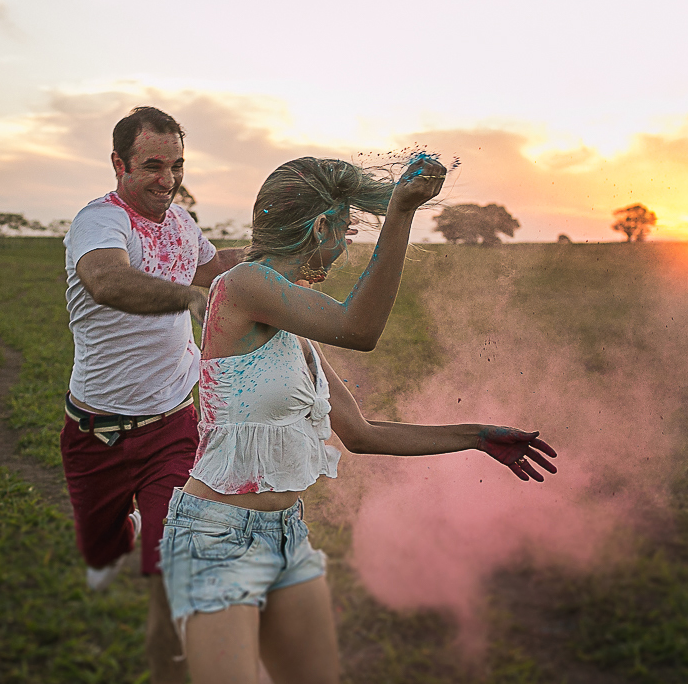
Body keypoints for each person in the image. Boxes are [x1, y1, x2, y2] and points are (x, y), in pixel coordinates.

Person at [158, 155, 558, 684]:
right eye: (344, 229)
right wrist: (399, 214)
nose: (344, 246)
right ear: (319, 226)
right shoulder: (242, 285)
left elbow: (362, 434)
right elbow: (359, 328)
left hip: (286, 534)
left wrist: (477, 437)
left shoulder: (288, 328)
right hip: (215, 539)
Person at [62, 106, 243, 684]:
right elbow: (106, 279)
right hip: (97, 433)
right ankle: (121, 535)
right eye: (153, 166)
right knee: (100, 549)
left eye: (177, 165)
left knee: (173, 574)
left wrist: (279, 256)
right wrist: (186, 298)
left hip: (173, 426)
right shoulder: (99, 221)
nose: (167, 179)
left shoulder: (184, 223)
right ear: (119, 164)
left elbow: (220, 274)